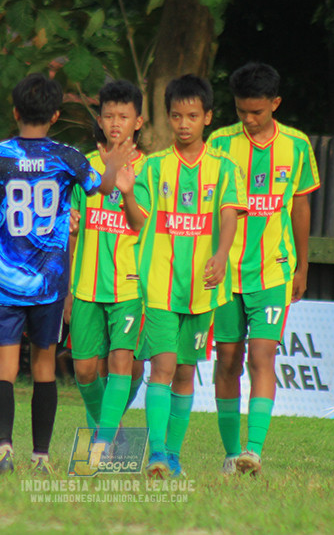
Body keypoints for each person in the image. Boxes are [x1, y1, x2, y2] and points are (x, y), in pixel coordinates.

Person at [0, 73, 134, 475]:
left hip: (3, 280)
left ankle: (3, 450)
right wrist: (111, 167)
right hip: (48, 283)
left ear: (16, 111)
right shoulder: (67, 157)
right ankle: (40, 456)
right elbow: (102, 189)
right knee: (43, 368)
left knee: (3, 368)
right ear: (55, 115)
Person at [117, 74, 247, 478]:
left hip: (202, 291)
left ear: (207, 116)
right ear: (168, 118)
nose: (184, 123)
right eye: (176, 116)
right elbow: (138, 222)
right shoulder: (154, 169)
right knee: (164, 366)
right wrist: (125, 193)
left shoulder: (224, 169)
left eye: (192, 115)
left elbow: (229, 216)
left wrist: (222, 255)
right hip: (159, 286)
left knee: (187, 372)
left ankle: (172, 454)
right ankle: (156, 453)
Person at [207, 62, 320, 475]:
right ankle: (230, 451)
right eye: (241, 112)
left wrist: (303, 266)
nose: (249, 120)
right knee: (227, 361)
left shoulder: (296, 145)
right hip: (226, 273)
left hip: (273, 269)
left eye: (257, 112)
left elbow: (301, 206)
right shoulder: (219, 143)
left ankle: (253, 451)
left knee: (262, 356)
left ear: (275, 103)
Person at [66, 80, 147, 460]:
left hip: (130, 286)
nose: (116, 123)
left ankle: (103, 441)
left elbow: (140, 225)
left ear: (138, 122)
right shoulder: (84, 166)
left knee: (122, 364)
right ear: (100, 119)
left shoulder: (149, 168)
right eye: (109, 116)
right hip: (85, 285)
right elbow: (71, 226)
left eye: (124, 116)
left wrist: (128, 193)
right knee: (84, 370)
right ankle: (108, 430)